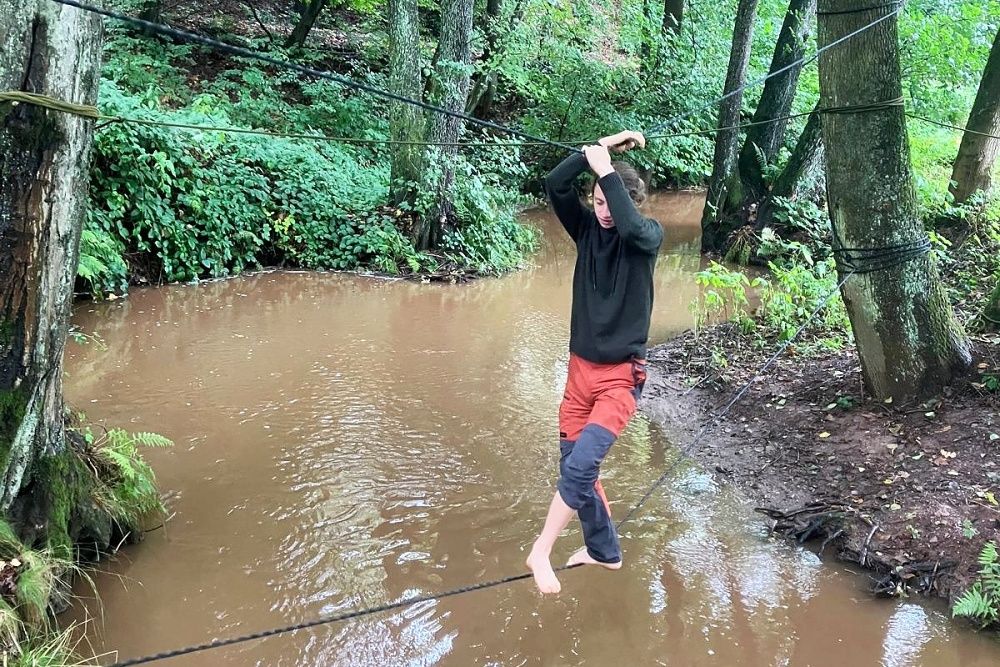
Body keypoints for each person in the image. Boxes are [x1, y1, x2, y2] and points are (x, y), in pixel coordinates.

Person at [525, 130, 663, 594]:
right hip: (579, 375)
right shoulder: (586, 229)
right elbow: (554, 184)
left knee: (582, 465)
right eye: (597, 202)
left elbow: (630, 227)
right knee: (574, 465)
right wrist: (596, 149)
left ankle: (541, 550)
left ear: (630, 202)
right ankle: (604, 551)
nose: (603, 211)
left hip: (620, 379)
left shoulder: (646, 237)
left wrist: (606, 171)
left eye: (610, 202)